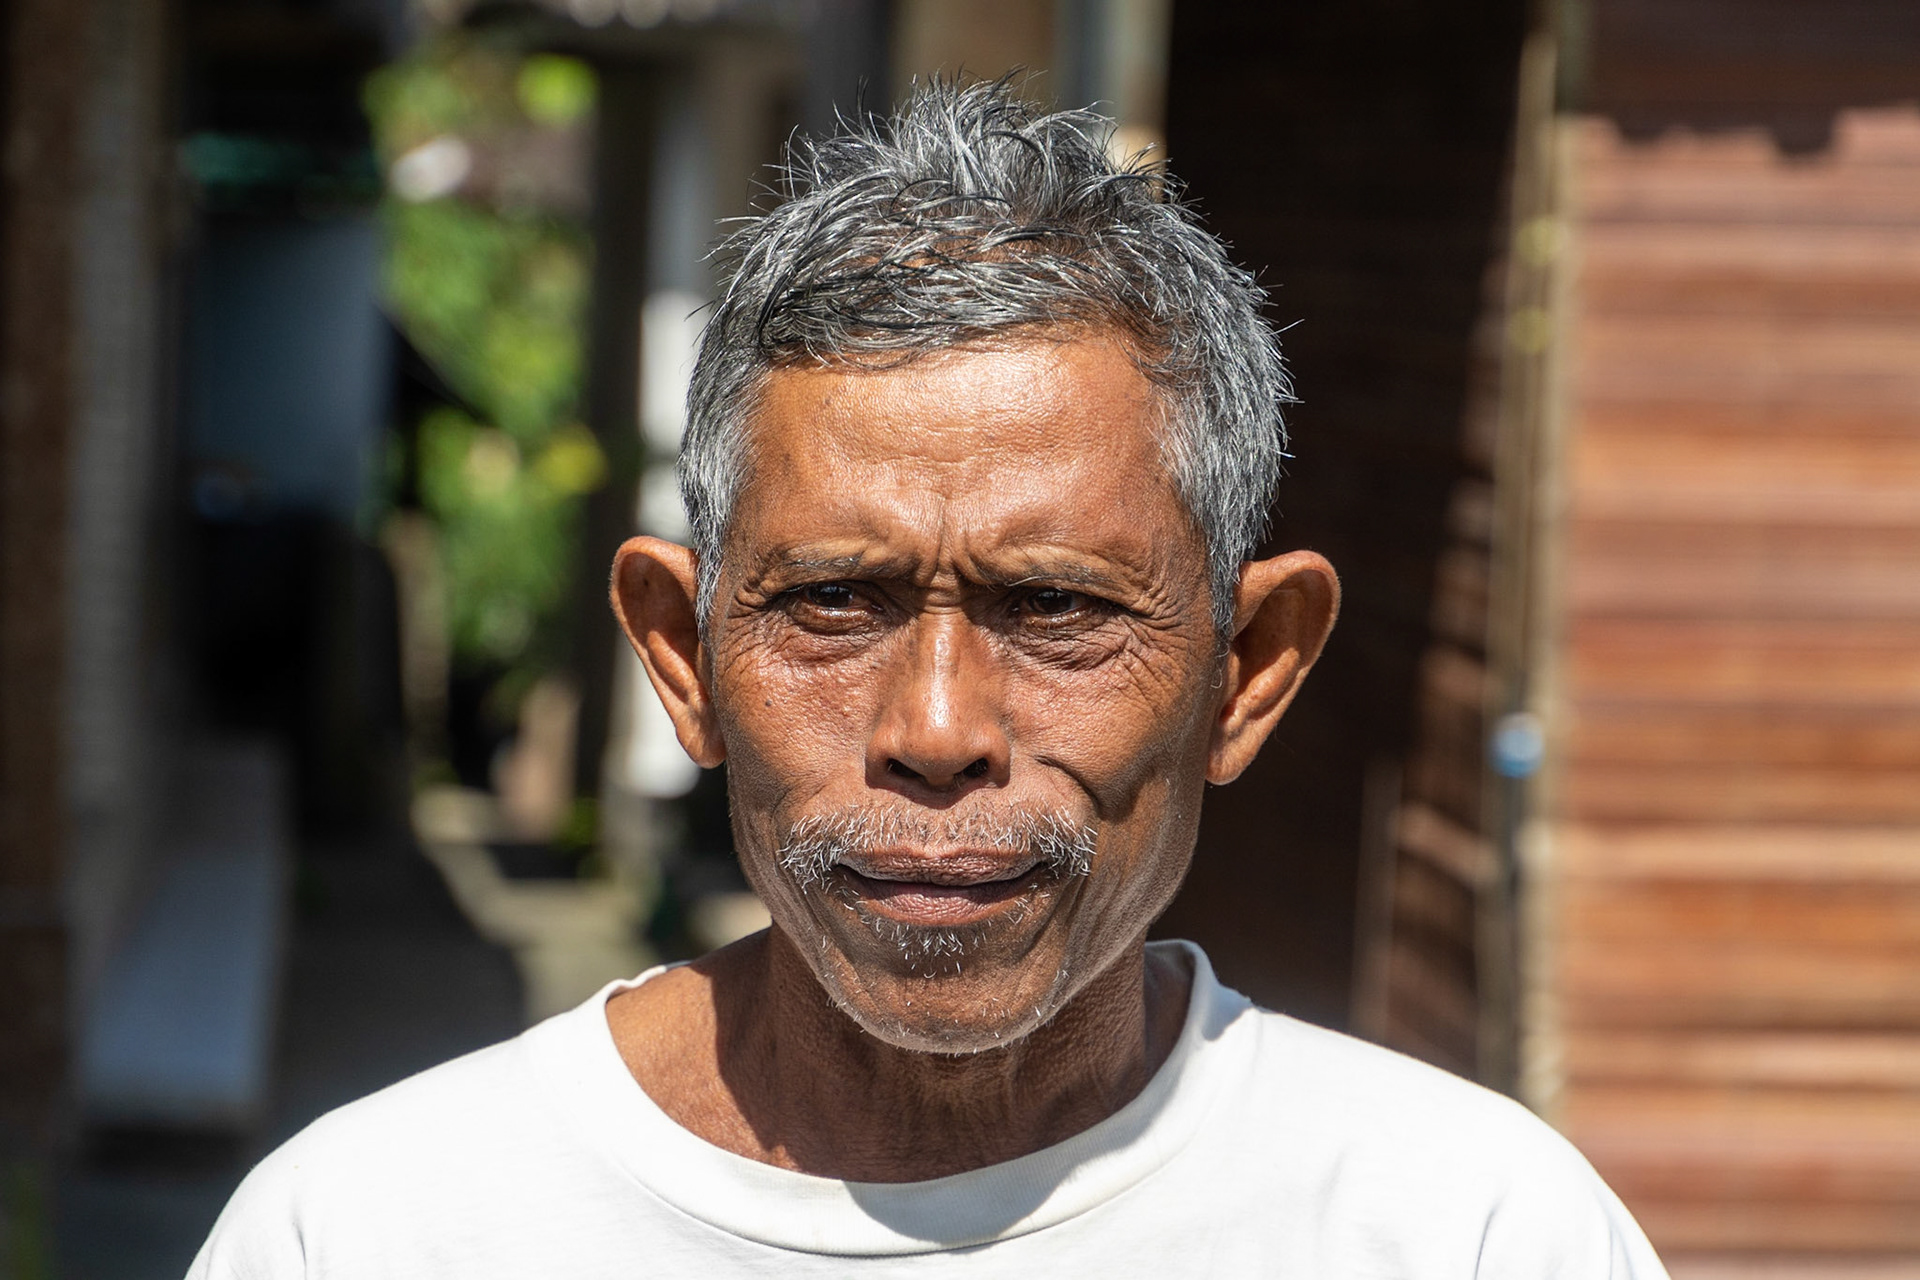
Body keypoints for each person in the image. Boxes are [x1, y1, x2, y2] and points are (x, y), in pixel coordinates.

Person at [188, 80, 1667, 1278]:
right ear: (680, 657)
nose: (939, 730)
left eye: (1057, 608)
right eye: (833, 603)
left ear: (1248, 675)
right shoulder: (373, 1234)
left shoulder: (1465, 1234)